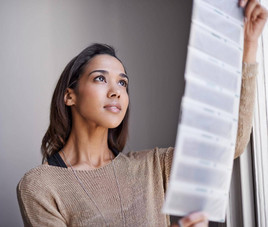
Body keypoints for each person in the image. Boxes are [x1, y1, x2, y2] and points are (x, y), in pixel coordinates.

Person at [17, 1, 267, 226]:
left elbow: (228, 144)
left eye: (123, 83)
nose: (116, 91)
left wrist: (249, 46)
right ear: (70, 95)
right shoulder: (40, 186)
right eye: (100, 78)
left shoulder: (153, 167)